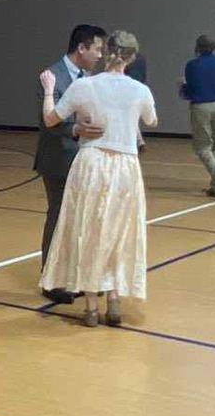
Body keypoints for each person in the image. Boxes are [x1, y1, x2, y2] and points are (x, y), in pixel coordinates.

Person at [39, 30, 157, 327]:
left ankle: (91, 307)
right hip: (125, 167)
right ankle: (113, 301)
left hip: (91, 163)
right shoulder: (140, 90)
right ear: (132, 57)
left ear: (106, 52)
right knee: (119, 232)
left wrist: (49, 90)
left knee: (88, 230)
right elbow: (151, 120)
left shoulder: (83, 85)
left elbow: (51, 118)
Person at [34, 24, 107, 303]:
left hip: (83, 159)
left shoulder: (88, 77)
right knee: (58, 217)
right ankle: (50, 280)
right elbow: (48, 122)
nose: (100, 55)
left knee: (80, 220)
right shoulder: (52, 76)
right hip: (58, 158)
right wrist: (76, 128)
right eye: (97, 49)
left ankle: (75, 277)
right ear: (82, 48)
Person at [180, 34, 215, 197]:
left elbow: (188, 91)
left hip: (201, 107)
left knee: (202, 147)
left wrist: (181, 87)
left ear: (197, 47)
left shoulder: (191, 65)